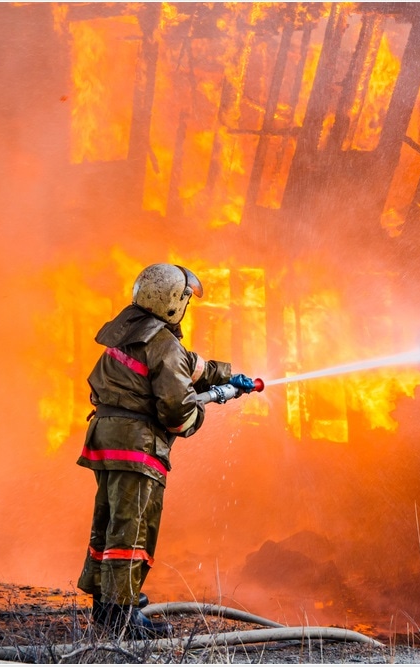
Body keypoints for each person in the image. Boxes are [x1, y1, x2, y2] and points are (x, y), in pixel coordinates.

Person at [75, 263, 256, 637]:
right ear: (174, 302)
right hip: (136, 447)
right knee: (134, 529)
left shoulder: (129, 331)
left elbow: (187, 366)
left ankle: (108, 603)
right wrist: (199, 412)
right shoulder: (162, 344)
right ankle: (121, 617)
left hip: (106, 437)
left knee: (109, 523)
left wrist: (226, 376)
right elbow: (177, 410)